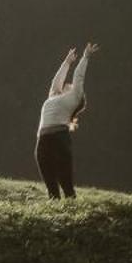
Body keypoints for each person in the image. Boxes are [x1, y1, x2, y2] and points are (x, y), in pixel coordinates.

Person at [36, 42, 98, 200]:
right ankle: (56, 212)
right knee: (51, 186)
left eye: (70, 86)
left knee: (66, 184)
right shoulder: (54, 95)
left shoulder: (73, 98)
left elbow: (78, 77)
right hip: (43, 140)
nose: (67, 84)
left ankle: (74, 213)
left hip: (59, 139)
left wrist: (85, 57)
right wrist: (67, 62)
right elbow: (55, 82)